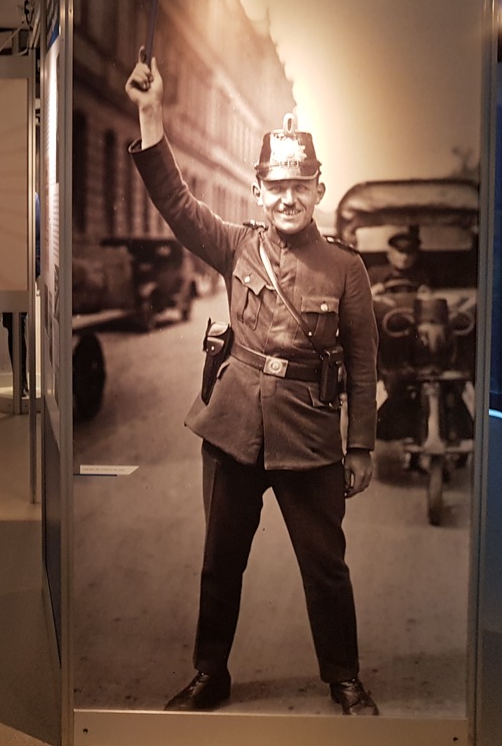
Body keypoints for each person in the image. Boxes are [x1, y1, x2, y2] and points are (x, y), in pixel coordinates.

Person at [123, 51, 380, 716]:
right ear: (259, 190)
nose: (287, 197)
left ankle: (344, 677)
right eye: (275, 186)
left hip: (312, 436)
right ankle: (211, 673)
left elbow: (362, 360)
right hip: (234, 428)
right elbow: (176, 203)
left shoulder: (347, 269)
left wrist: (361, 446)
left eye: (301, 186)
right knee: (220, 564)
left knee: (325, 568)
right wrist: (151, 111)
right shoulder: (236, 245)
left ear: (319, 190)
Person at [368, 230, 430, 294]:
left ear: (415, 256)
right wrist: (373, 292)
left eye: (409, 253)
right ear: (389, 254)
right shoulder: (375, 274)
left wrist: (425, 293)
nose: (405, 257)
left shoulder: (419, 276)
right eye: (400, 252)